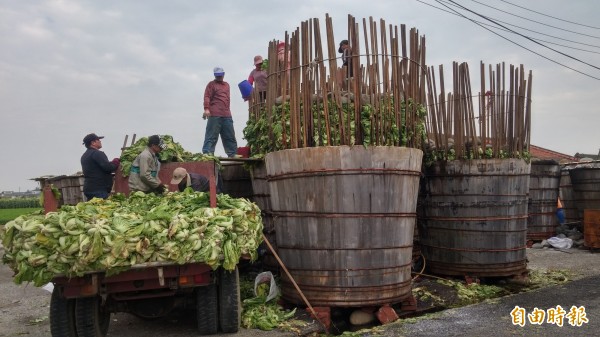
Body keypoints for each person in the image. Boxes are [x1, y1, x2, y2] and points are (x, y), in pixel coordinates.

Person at [202, 66, 239, 158]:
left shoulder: (227, 85)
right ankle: (208, 153)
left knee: (229, 135)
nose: (219, 77)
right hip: (214, 114)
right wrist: (206, 109)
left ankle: (232, 153)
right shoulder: (211, 84)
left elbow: (227, 99)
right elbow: (207, 96)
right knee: (211, 135)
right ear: (215, 75)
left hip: (226, 114)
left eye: (221, 75)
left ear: (223, 74)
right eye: (217, 75)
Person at [80, 133, 120, 200]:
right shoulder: (97, 153)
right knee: (102, 209)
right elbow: (108, 168)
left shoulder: (85, 156)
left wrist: (111, 163)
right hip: (99, 189)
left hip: (89, 188)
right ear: (93, 142)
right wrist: (116, 162)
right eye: (98, 140)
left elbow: (97, 167)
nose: (100, 141)